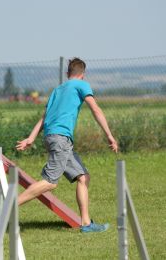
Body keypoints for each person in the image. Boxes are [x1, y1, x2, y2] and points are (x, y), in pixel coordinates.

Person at [16, 57, 118, 233]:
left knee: (83, 177)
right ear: (83, 75)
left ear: (67, 73)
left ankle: (86, 224)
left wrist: (31, 138)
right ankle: (10, 205)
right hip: (60, 138)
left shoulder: (58, 89)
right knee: (50, 182)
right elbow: (96, 109)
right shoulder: (82, 85)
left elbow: (44, 117)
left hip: (54, 137)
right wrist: (109, 135)